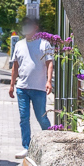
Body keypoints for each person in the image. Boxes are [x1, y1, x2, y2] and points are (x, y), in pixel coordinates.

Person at [9, 16, 54, 158]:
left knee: (41, 117)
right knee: (23, 118)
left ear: (35, 27)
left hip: (39, 87)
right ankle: (26, 147)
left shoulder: (44, 44)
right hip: (22, 87)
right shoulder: (19, 45)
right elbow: (15, 66)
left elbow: (49, 63)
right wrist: (11, 85)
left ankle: (51, 144)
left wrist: (49, 81)